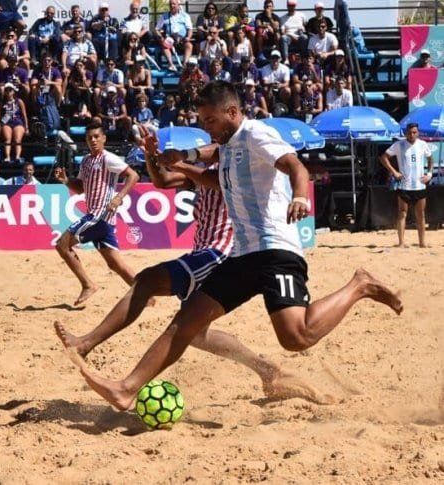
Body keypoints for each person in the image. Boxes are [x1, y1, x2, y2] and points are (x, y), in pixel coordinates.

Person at [56, 81, 402, 411]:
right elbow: (204, 177)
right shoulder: (228, 146)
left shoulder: (256, 134)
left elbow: (295, 165)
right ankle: (126, 389)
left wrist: (299, 196)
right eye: (202, 121)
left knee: (296, 337)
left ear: (233, 112)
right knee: (187, 321)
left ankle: (360, 285)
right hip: (241, 255)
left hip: (274, 251)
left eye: (210, 120)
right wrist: (170, 158)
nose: (207, 127)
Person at [55, 124, 328, 403]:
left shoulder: (237, 169)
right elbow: (163, 181)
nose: (213, 146)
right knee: (196, 332)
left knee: (148, 280)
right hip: (205, 250)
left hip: (217, 252)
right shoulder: (208, 171)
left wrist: (183, 160)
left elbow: (211, 168)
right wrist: (153, 155)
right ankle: (266, 370)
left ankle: (87, 345)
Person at [53, 120, 140, 306]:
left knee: (62, 245)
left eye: (96, 137)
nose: (93, 140)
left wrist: (118, 197)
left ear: (104, 139)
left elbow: (134, 175)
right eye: (89, 137)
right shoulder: (86, 161)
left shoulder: (108, 158)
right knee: (115, 264)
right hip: (100, 217)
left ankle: (87, 285)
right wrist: (66, 180)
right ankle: (145, 294)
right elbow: (81, 189)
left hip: (99, 215)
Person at [379, 123, 433, 248]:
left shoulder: (423, 144)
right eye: (409, 132)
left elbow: (430, 159)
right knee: (402, 213)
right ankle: (401, 242)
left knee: (421, 215)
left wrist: (429, 174)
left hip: (419, 185)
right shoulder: (399, 145)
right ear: (405, 133)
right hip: (404, 185)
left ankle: (422, 243)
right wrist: (394, 172)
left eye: (414, 132)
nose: (412, 134)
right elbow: (383, 158)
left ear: (418, 133)